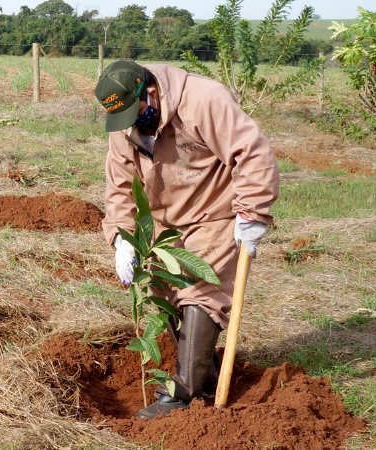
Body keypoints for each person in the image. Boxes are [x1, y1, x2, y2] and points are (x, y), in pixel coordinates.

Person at [94, 60, 279, 419]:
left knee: (199, 289)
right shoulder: (126, 122)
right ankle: (204, 372)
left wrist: (253, 213)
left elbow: (252, 152)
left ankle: (181, 393)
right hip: (165, 222)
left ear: (150, 93)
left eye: (137, 112)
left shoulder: (204, 100)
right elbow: (119, 185)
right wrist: (121, 236)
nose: (131, 124)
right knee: (167, 294)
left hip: (215, 212)